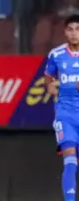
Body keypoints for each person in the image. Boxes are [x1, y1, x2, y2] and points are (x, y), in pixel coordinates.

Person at [45, 14, 79, 201]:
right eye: (71, 29)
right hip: (65, 114)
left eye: (78, 29)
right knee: (70, 160)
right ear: (66, 32)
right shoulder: (56, 55)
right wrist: (49, 85)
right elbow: (48, 77)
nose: (74, 34)